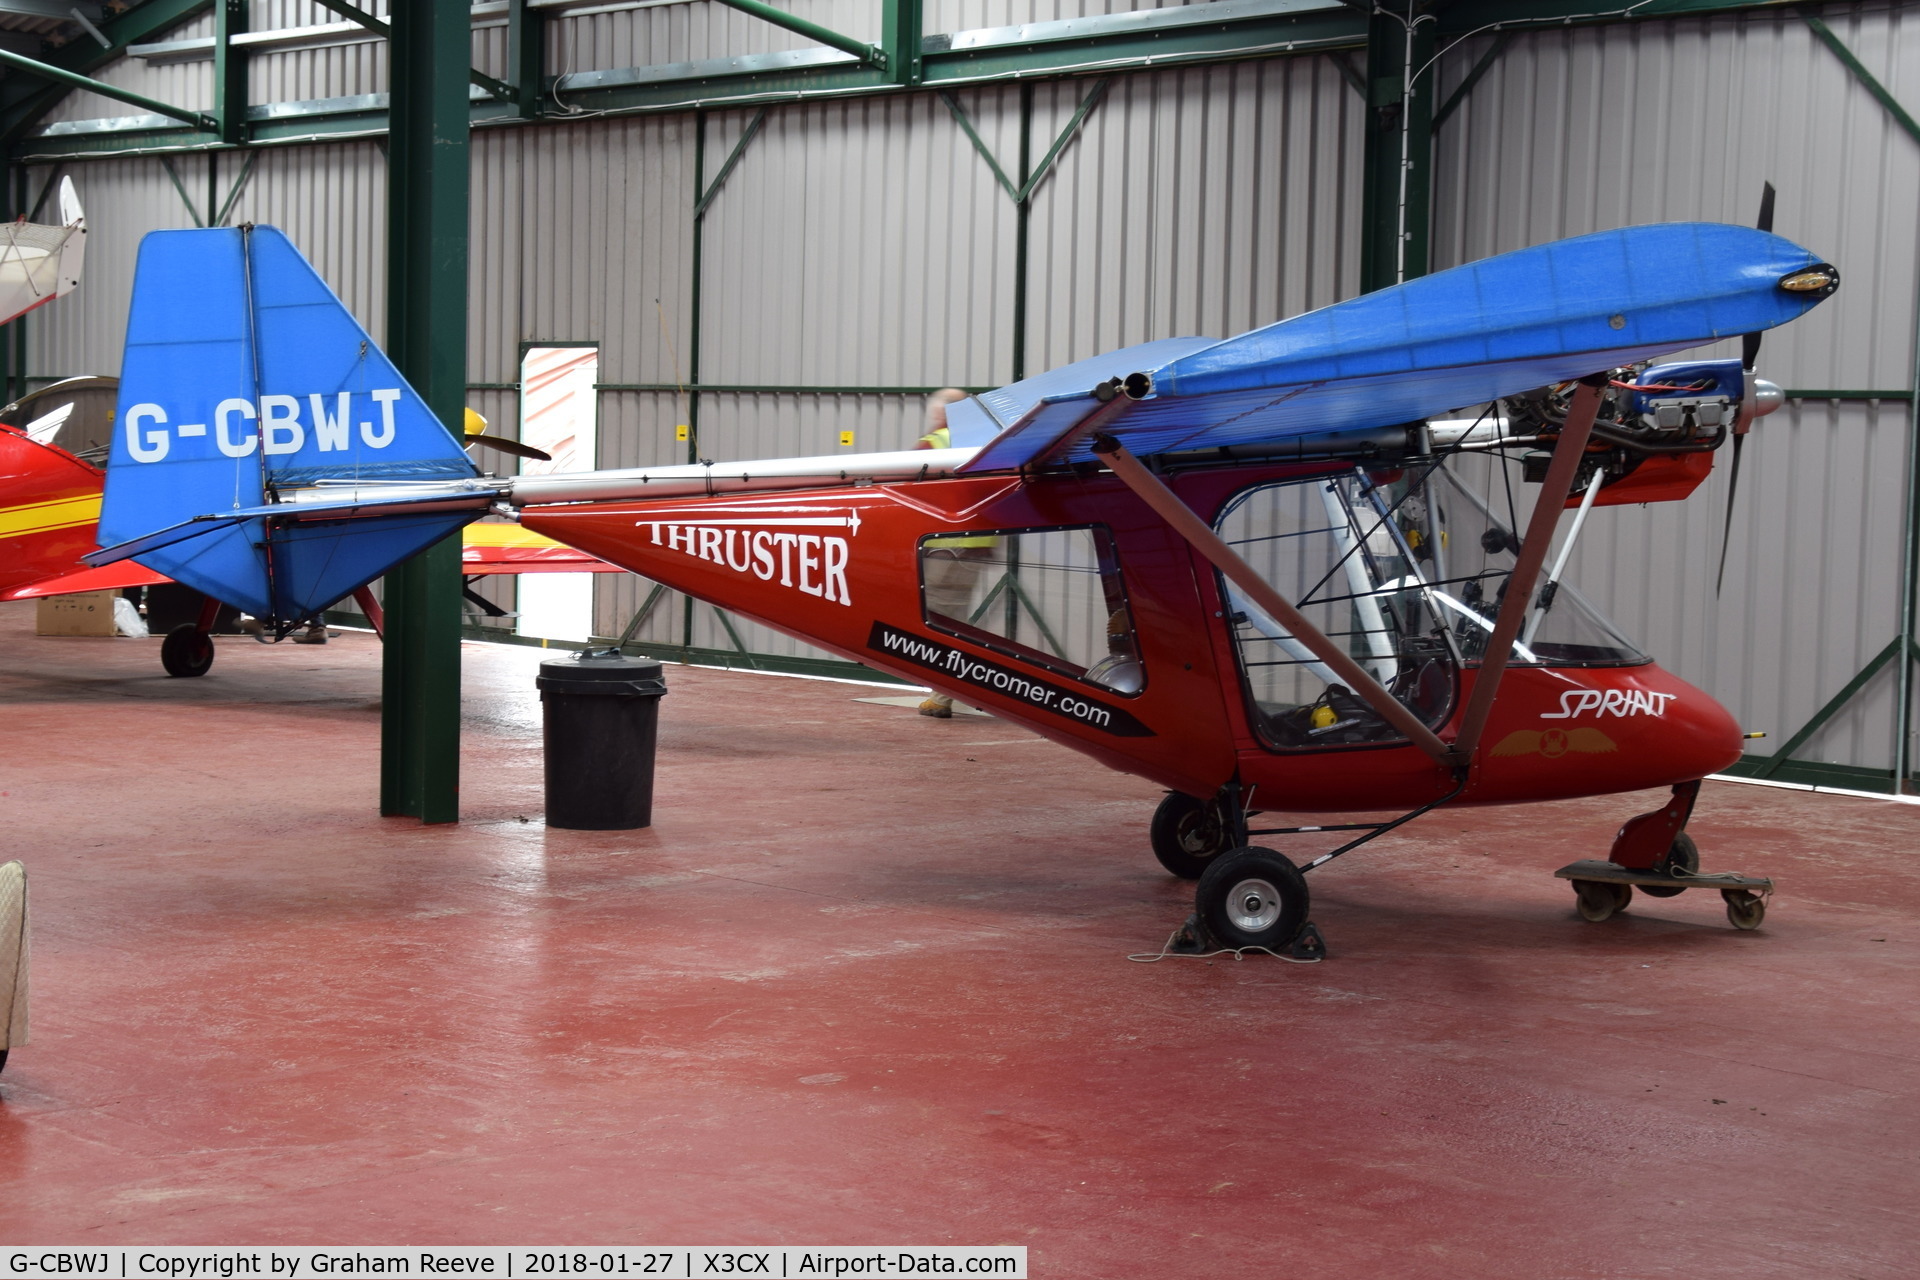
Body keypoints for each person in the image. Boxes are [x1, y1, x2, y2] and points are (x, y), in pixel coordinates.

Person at [913, 389, 990, 718]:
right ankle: (947, 689)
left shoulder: (935, 443)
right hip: (973, 545)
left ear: (944, 414)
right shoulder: (986, 439)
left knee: (941, 621)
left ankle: (945, 693)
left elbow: (909, 489)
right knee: (953, 617)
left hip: (945, 546)